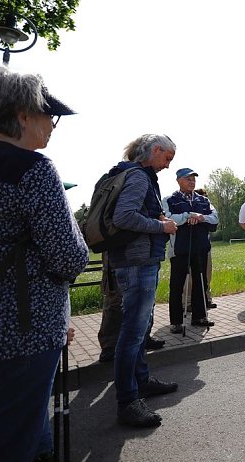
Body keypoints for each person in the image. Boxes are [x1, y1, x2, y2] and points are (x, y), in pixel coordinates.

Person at [0, 66, 89, 462]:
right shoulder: (31, 169)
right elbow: (70, 257)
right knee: (1, 460)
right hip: (17, 338)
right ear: (22, 114)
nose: (52, 126)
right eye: (47, 115)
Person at [107, 134, 180, 428]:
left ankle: (141, 381)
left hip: (135, 259)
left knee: (138, 329)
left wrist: (155, 217)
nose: (167, 166)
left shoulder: (129, 174)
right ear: (156, 151)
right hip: (137, 261)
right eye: (167, 159)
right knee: (133, 332)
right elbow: (124, 216)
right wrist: (161, 225)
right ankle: (127, 400)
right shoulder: (138, 177)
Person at [163, 168, 218, 333]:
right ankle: (176, 322)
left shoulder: (203, 200)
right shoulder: (170, 199)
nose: (192, 182)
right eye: (188, 179)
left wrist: (201, 217)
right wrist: (188, 216)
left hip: (200, 247)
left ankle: (199, 317)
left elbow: (215, 218)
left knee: (200, 283)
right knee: (177, 285)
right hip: (180, 249)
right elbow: (167, 218)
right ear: (179, 180)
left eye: (194, 179)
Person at [97, 252, 165, 363]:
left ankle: (145, 337)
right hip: (118, 255)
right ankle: (109, 345)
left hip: (146, 256)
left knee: (147, 302)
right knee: (114, 303)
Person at [191, 187, 217, 309]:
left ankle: (207, 298)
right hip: (190, 246)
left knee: (207, 274)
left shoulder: (208, 208)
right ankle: (189, 302)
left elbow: (213, 222)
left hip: (204, 245)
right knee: (191, 276)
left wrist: (204, 218)